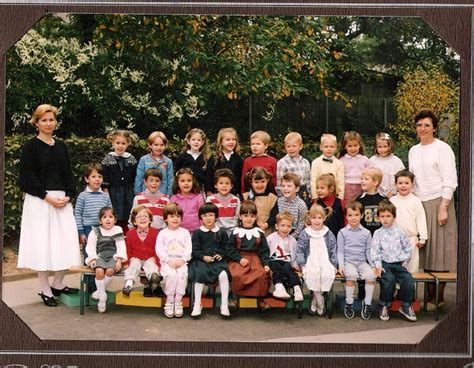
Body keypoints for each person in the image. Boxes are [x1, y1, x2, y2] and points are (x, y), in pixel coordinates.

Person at [18, 104, 81, 307]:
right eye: (43, 120)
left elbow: (68, 174)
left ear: (55, 122)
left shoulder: (61, 146)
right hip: (39, 201)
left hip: (62, 201)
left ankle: (58, 283)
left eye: (51, 119)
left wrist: (69, 196)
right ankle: (44, 289)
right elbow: (27, 178)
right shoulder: (30, 147)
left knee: (67, 241)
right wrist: (46, 197)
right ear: (36, 122)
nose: (48, 123)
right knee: (42, 243)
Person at [408, 108, 458, 308]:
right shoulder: (413, 150)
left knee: (441, 252)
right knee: (424, 251)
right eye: (419, 125)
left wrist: (444, 206)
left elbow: (450, 180)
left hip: (439, 202)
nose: (422, 128)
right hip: (419, 204)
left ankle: (437, 297)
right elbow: (411, 180)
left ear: (434, 128)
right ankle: (425, 295)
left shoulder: (443, 148)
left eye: (427, 125)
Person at [371, 201, 416, 322]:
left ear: (394, 217)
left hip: (398, 264)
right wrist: (378, 266)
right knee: (388, 280)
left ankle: (405, 305)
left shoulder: (399, 232)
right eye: (382, 216)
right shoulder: (377, 233)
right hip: (385, 264)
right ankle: (384, 305)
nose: (385, 219)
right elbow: (375, 251)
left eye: (388, 216)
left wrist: (405, 262)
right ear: (378, 218)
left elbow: (408, 247)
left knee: (408, 280)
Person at [74, 163, 112, 298]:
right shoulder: (83, 196)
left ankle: (99, 287)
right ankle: (90, 287)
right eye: (93, 176)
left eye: (100, 176)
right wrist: (81, 232)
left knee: (103, 257)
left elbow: (110, 213)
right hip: (88, 229)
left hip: (102, 230)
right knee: (90, 258)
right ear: (87, 179)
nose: (97, 179)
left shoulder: (105, 195)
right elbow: (77, 214)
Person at [226, 200, 272, 311]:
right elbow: (229, 249)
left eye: (252, 216)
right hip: (238, 258)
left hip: (255, 258)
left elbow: (264, 250)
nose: (249, 218)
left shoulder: (259, 233)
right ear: (240, 217)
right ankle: (234, 299)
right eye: (245, 215)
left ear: (255, 217)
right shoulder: (235, 232)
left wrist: (265, 264)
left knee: (261, 273)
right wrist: (239, 258)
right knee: (236, 274)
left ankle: (260, 301)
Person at [189, 203, 231, 318]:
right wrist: (203, 257)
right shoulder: (197, 232)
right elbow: (195, 250)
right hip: (201, 261)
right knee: (199, 275)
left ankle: (224, 304)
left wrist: (221, 255)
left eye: (211, 215)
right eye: (205, 215)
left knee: (223, 275)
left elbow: (226, 248)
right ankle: (197, 304)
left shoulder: (221, 232)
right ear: (201, 217)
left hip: (217, 262)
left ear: (216, 217)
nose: (208, 218)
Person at [296, 205, 337, 316]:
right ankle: (320, 301)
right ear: (310, 219)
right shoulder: (305, 233)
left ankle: (315, 301)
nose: (317, 220)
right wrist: (302, 264)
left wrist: (334, 264)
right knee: (312, 275)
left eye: (319, 218)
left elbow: (333, 249)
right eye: (314, 218)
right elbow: (299, 250)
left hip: (325, 260)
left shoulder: (328, 233)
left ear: (324, 218)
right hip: (311, 261)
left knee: (326, 275)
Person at [337, 201, 375, 320]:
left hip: (362, 262)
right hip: (349, 262)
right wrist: (341, 265)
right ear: (346, 216)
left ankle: (367, 304)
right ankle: (349, 303)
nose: (353, 218)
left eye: (356, 215)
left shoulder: (367, 233)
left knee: (370, 276)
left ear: (362, 215)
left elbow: (368, 252)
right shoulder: (342, 232)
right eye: (350, 215)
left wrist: (373, 265)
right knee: (351, 276)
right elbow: (340, 251)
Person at [85, 207, 127, 313]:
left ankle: (99, 292)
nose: (108, 219)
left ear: (115, 219)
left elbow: (121, 246)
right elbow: (90, 246)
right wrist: (93, 258)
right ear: (100, 220)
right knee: (99, 271)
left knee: (109, 271)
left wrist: (119, 260)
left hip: (113, 257)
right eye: (104, 217)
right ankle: (102, 296)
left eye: (110, 217)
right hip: (100, 256)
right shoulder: (95, 232)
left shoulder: (117, 230)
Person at [155, 203, 192, 318]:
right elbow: (159, 249)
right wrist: (168, 260)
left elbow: (188, 248)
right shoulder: (162, 233)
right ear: (166, 218)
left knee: (182, 275)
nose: (175, 219)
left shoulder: (185, 232)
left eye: (178, 216)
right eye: (172, 216)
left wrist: (183, 260)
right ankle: (170, 301)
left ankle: (178, 301)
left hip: (181, 262)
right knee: (172, 276)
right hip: (168, 262)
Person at [389, 170, 428, 273]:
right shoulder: (392, 201)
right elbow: (388, 219)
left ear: (412, 184)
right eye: (400, 183)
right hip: (395, 239)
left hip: (411, 240)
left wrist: (423, 238)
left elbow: (421, 219)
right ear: (396, 184)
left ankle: (410, 288)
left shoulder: (415, 201)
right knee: (396, 267)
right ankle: (396, 289)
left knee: (412, 267)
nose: (403, 186)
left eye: (406, 183)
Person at [101, 130, 137, 233]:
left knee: (127, 213)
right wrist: (105, 188)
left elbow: (134, 175)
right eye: (118, 143)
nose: (120, 146)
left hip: (128, 192)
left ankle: (127, 234)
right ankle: (114, 234)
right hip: (113, 192)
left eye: (123, 143)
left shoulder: (131, 159)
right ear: (113, 143)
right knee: (115, 212)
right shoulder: (108, 158)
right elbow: (105, 175)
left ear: (127, 144)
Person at [122, 205, 161, 297]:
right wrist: (126, 262)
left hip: (150, 257)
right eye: (139, 217)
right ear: (134, 221)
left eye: (145, 216)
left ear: (150, 220)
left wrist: (158, 264)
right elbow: (127, 249)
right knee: (133, 266)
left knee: (151, 265)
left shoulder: (155, 233)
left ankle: (154, 279)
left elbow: (158, 249)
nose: (142, 219)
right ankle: (128, 284)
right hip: (135, 257)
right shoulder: (130, 234)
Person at [266, 212, 304, 302]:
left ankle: (296, 288)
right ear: (276, 226)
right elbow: (266, 252)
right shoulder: (270, 238)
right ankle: (279, 287)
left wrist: (295, 264)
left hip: (286, 261)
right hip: (274, 260)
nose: (285, 228)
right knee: (277, 267)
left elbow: (294, 255)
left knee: (289, 269)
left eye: (288, 226)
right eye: (282, 225)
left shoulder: (293, 240)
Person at [276, 132, 311, 206]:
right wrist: (281, 197)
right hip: (289, 194)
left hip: (303, 193)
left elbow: (308, 180)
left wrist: (310, 193)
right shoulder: (282, 163)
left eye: (294, 146)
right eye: (288, 146)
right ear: (285, 147)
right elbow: (279, 183)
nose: (291, 149)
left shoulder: (305, 162)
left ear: (300, 146)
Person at [205, 127, 243, 197]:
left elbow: (240, 177)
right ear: (221, 142)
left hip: (233, 195)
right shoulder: (215, 158)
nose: (231, 142)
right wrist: (209, 191)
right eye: (228, 140)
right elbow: (209, 176)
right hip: (216, 194)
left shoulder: (238, 158)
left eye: (233, 139)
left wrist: (239, 193)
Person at [134, 131, 173, 196]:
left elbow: (170, 179)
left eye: (162, 145)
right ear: (150, 145)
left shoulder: (168, 161)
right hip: (145, 194)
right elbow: (139, 177)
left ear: (165, 145)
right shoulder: (144, 160)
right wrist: (137, 193)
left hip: (162, 195)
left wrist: (169, 194)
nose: (159, 147)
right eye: (156, 145)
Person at [242, 167, 278, 235]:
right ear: (251, 182)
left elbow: (274, 215)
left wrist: (266, 224)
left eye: (263, 181)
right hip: (248, 232)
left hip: (267, 233)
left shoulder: (273, 198)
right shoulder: (245, 197)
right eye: (256, 182)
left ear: (267, 180)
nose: (260, 185)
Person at [369, 132, 405, 198]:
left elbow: (401, 177)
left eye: (385, 146)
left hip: (394, 194)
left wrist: (393, 192)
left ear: (390, 146)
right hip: (377, 194)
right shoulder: (372, 161)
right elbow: (369, 178)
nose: (383, 150)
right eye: (380, 147)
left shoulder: (396, 161)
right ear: (375, 147)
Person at [339, 131, 371, 204]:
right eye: (350, 146)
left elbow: (371, 174)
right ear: (345, 146)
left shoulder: (364, 159)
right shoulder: (341, 160)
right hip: (347, 189)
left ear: (359, 145)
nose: (353, 148)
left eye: (355, 145)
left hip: (362, 187)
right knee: (348, 208)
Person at [206, 168, 240, 235]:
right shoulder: (210, 200)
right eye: (221, 183)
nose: (224, 185)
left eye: (227, 183)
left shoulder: (236, 200)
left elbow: (238, 217)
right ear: (215, 185)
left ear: (231, 186)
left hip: (232, 233)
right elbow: (208, 218)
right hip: (216, 232)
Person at [310, 133, 345, 200]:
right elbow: (313, 181)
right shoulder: (316, 163)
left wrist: (340, 198)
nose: (329, 149)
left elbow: (341, 182)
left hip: (334, 197)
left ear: (336, 148)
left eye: (332, 146)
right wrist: (315, 197)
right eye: (326, 146)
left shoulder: (339, 164)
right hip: (319, 196)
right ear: (321, 147)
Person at [170, 168, 204, 233]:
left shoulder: (198, 198)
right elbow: (171, 216)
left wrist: (202, 231)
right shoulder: (173, 199)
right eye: (182, 181)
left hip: (195, 232)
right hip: (178, 232)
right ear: (177, 183)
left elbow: (202, 215)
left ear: (193, 182)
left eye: (189, 180)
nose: (186, 183)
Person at [276, 172, 307, 239]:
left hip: (294, 236)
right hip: (280, 233)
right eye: (283, 186)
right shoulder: (279, 201)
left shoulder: (301, 205)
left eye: (289, 186)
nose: (285, 188)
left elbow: (301, 225)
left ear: (296, 189)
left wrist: (291, 237)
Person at [356, 167, 386, 235]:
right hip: (364, 236)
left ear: (375, 182)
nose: (362, 181)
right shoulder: (359, 199)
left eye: (366, 179)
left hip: (380, 235)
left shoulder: (383, 199)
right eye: (361, 179)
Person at [314, 173, 345, 237]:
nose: (319, 190)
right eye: (317, 188)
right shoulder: (315, 203)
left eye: (322, 188)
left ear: (331, 189)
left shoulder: (341, 202)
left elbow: (346, 220)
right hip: (321, 238)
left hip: (339, 237)